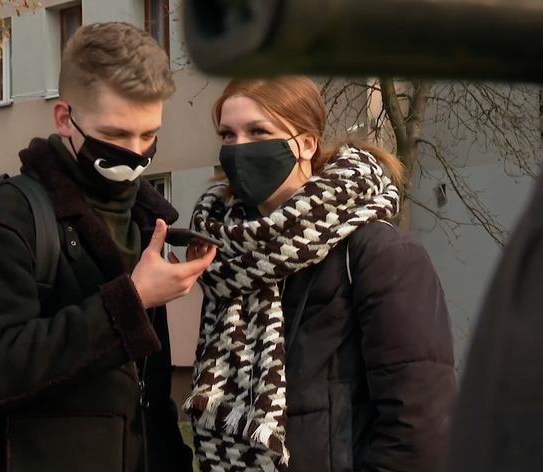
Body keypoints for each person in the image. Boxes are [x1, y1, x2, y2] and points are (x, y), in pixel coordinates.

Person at [0, 22, 216, 472]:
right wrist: (131, 301)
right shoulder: (10, 215)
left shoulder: (145, 219)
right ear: (64, 118)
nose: (135, 155)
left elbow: (150, 389)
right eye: (115, 134)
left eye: (148, 135)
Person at [183, 76, 456, 472]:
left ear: (307, 144)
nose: (239, 149)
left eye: (259, 131)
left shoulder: (377, 252)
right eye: (228, 134)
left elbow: (420, 425)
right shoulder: (228, 258)